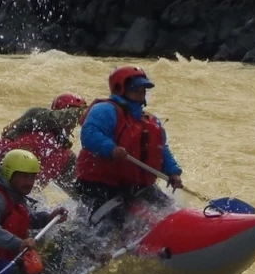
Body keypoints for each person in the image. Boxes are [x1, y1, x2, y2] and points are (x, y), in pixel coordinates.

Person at [73, 66, 183, 228]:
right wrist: (111, 148)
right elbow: (89, 134)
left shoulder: (150, 121)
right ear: (120, 90)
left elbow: (161, 149)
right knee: (111, 224)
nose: (140, 94)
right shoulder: (105, 110)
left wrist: (173, 172)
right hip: (101, 185)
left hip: (135, 185)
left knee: (169, 210)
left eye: (142, 90)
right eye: (135, 90)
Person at [0, 93, 88, 188]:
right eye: (71, 121)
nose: (72, 125)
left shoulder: (63, 154)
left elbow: (78, 191)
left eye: (74, 123)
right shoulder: (38, 127)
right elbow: (3, 156)